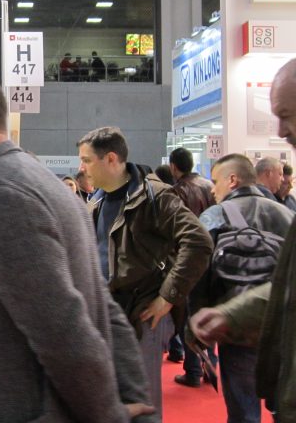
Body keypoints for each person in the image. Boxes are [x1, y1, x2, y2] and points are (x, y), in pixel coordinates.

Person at [0, 65, 154, 423]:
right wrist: (134, 401)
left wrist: (109, 414)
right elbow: (103, 311)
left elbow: (63, 329)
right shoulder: (41, 184)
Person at [77, 126, 213, 420]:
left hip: (143, 312)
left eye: (86, 160)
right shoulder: (96, 200)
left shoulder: (156, 196)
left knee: (142, 401)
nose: (81, 168)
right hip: (106, 312)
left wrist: (168, 296)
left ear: (110, 159)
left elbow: (198, 241)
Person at [190, 58, 296, 422]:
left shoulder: (215, 216)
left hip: (240, 337)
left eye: (287, 115)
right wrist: (229, 314)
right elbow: (287, 287)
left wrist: (206, 316)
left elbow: (198, 269)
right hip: (272, 332)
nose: (281, 130)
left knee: (243, 411)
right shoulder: (285, 213)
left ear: (231, 180)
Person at [167, 147, 217, 385]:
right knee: (208, 312)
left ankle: (194, 369)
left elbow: (174, 230)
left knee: (187, 314)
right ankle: (210, 367)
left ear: (173, 166)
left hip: (188, 260)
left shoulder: (177, 191)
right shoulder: (210, 186)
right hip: (212, 258)